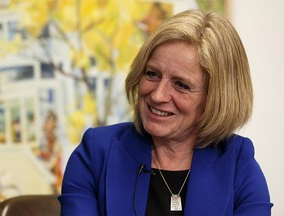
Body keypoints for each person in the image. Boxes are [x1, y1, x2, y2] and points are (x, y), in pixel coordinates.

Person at [59, 9, 273, 216]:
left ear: (217, 97)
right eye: (152, 74)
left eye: (181, 85)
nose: (158, 95)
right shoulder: (95, 154)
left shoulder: (238, 163)